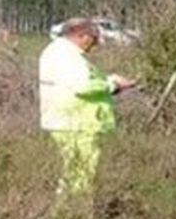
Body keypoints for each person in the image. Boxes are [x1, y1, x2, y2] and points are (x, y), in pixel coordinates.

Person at [38, 18, 132, 199]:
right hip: (76, 123)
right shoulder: (67, 57)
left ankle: (68, 211)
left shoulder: (58, 52)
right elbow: (82, 86)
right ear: (82, 36)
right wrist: (112, 84)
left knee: (71, 172)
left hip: (67, 121)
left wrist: (108, 81)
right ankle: (77, 212)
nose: (95, 44)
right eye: (94, 39)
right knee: (82, 173)